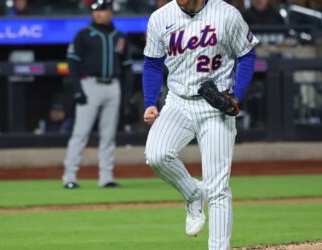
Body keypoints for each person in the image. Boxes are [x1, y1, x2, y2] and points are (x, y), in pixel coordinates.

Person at [142, 0, 257, 249]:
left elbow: (247, 54)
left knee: (217, 187)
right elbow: (152, 63)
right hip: (178, 102)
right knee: (157, 155)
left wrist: (237, 94)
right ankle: (194, 193)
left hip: (216, 107)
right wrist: (150, 102)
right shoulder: (160, 18)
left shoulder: (226, 14)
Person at [62, 0, 133, 189]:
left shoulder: (119, 36)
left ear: (110, 11)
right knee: (80, 133)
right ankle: (69, 176)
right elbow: (73, 65)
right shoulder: (84, 34)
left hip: (113, 86)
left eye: (103, 10)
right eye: (96, 11)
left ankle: (106, 177)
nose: (99, 14)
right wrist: (77, 89)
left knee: (108, 136)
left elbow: (127, 69)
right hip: (89, 84)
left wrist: (126, 96)